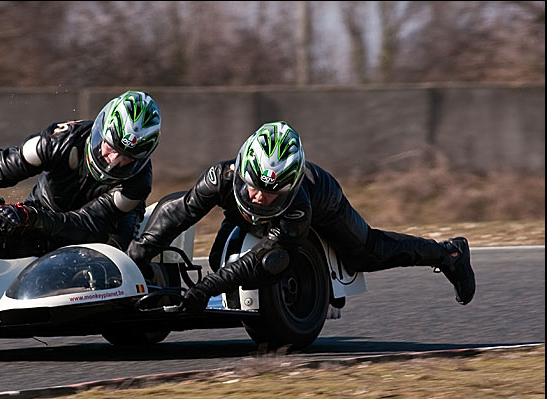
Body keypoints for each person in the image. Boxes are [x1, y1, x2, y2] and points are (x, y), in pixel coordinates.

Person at [127, 121, 475, 313]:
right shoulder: (221, 177)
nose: (260, 196)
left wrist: (202, 290)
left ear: (289, 186)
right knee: (220, 260)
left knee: (365, 253)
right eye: (254, 187)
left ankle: (449, 254)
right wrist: (138, 254)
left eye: (271, 192)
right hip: (245, 218)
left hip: (325, 203)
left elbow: (260, 259)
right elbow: (181, 212)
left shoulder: (299, 207)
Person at [0, 90, 161, 255]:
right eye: (111, 147)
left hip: (100, 235)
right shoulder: (61, 141)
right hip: (39, 213)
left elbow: (88, 226)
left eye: (127, 157)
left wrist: (30, 217)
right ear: (102, 129)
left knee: (118, 262)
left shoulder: (136, 183)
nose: (113, 160)